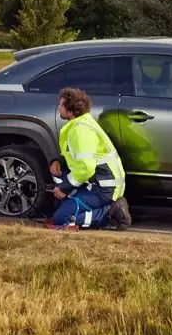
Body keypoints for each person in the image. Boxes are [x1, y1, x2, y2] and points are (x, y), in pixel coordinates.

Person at [49, 87, 131, 230]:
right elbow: (77, 154)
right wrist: (58, 161)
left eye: (61, 105)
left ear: (71, 111)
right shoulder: (81, 123)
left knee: (61, 218)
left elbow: (86, 167)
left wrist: (64, 188)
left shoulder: (81, 130)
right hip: (99, 184)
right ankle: (106, 208)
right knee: (62, 206)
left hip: (103, 188)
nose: (59, 107)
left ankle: (111, 213)